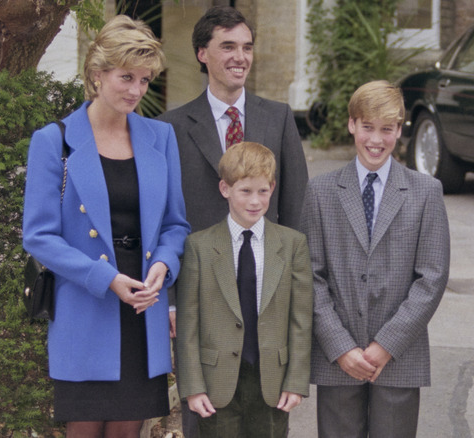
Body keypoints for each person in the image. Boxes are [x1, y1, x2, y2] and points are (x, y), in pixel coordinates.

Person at [22, 15, 190, 438]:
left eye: (146, 80)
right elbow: (38, 235)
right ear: (97, 75)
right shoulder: (54, 140)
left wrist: (164, 267)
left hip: (142, 307)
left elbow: (175, 224)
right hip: (87, 304)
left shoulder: (160, 137)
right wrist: (106, 277)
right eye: (126, 77)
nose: (137, 90)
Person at [157, 7, 308, 435]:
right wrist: (170, 299)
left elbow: (296, 211)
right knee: (206, 417)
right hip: (201, 298)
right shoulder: (170, 127)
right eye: (228, 47)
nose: (239, 56)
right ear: (202, 53)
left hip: (266, 293)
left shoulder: (278, 118)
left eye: (246, 47)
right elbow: (166, 217)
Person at [301, 80, 450, 438]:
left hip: (399, 356)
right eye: (367, 127)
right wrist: (340, 347)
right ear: (352, 124)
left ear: (400, 130)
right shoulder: (321, 191)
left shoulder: (426, 192)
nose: (376, 140)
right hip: (339, 357)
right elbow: (309, 275)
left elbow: (431, 278)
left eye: (387, 129)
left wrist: (386, 346)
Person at [174, 141, 313, 437]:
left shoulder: (292, 245)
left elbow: (301, 320)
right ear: (225, 189)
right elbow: (188, 324)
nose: (255, 201)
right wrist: (193, 387)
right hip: (216, 384)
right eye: (245, 191)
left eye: (263, 191)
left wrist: (296, 382)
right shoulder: (199, 246)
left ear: (273, 188)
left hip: (272, 381)